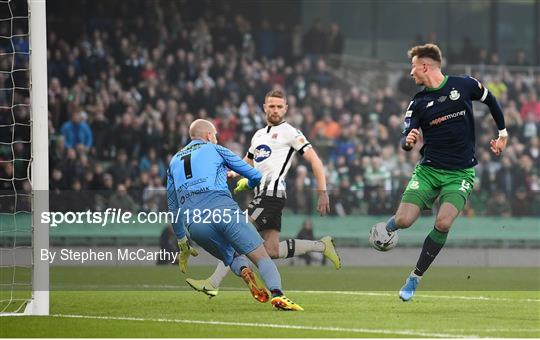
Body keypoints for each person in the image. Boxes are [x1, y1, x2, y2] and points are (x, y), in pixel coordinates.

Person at [186, 89, 341, 299]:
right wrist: (231, 174)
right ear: (264, 108)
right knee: (272, 250)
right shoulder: (258, 135)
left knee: (238, 233)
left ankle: (213, 283)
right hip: (263, 195)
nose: (275, 110)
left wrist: (323, 192)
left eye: (279, 106)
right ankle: (322, 246)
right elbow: (246, 162)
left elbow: (315, 160)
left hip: (272, 195)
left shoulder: (290, 132)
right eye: (272, 106)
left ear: (286, 108)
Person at [384, 44, 507, 301]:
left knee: (443, 222)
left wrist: (502, 134)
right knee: (405, 221)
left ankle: (415, 277)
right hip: (429, 171)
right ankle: (389, 226)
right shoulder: (418, 103)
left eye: (413, 67)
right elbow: (406, 138)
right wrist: (408, 141)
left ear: (425, 66)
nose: (411, 73)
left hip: (460, 173)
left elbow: (492, 101)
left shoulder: (464, 85)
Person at [167, 119, 302, 311]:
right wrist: (247, 183)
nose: (216, 138)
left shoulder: (173, 162)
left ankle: (244, 270)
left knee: (232, 255)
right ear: (208, 136)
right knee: (261, 256)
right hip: (223, 209)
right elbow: (254, 174)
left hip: (195, 224)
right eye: (215, 135)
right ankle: (278, 295)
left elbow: (173, 206)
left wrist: (182, 241)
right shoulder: (216, 149)